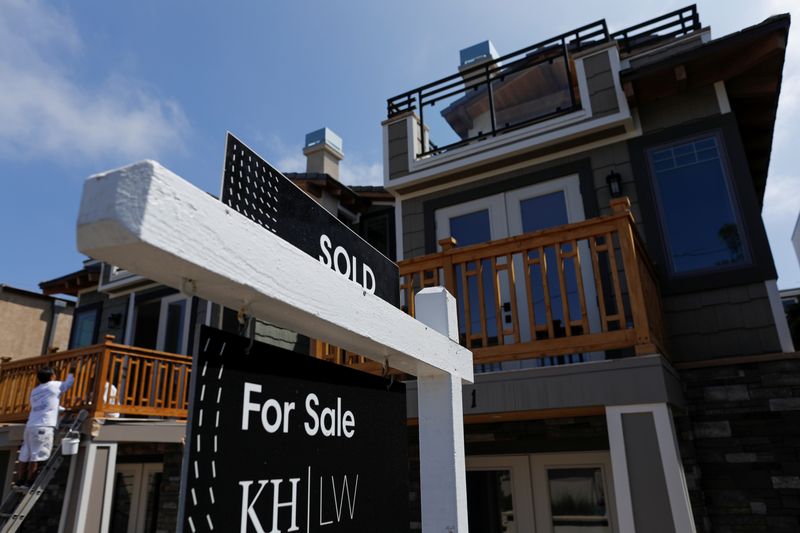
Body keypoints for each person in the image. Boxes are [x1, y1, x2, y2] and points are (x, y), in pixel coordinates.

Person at [13, 363, 76, 490]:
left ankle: (19, 480)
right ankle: (30, 482)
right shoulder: (55, 385)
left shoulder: (35, 391)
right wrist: (72, 372)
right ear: (52, 376)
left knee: (25, 454)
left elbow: (46, 404)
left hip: (30, 425)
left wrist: (62, 409)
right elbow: (69, 383)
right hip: (44, 426)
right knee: (37, 455)